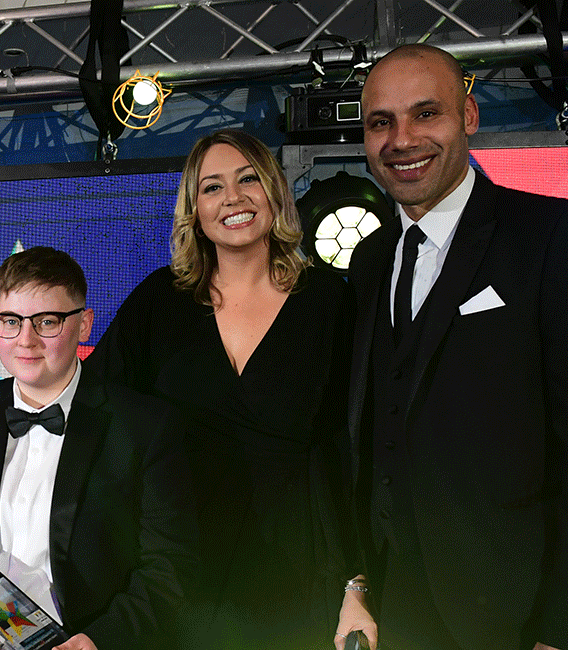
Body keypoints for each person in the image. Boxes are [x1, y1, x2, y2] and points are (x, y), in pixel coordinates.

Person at [342, 43, 568, 650]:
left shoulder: (558, 236)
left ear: (470, 116)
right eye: (381, 122)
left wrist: (566, 632)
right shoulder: (369, 259)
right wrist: (357, 584)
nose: (402, 139)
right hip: (398, 613)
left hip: (523, 619)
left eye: (426, 113)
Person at [84, 130, 363, 649]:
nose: (232, 198)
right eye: (212, 187)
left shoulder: (328, 301)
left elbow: (351, 453)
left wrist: (357, 583)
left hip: (296, 579)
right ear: (194, 210)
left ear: (274, 192)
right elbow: (96, 409)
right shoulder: (158, 300)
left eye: (248, 179)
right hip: (176, 577)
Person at [0, 246, 196, 650]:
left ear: (84, 324)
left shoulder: (146, 427)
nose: (26, 340)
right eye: (11, 321)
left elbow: (171, 567)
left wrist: (97, 641)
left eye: (46, 322)